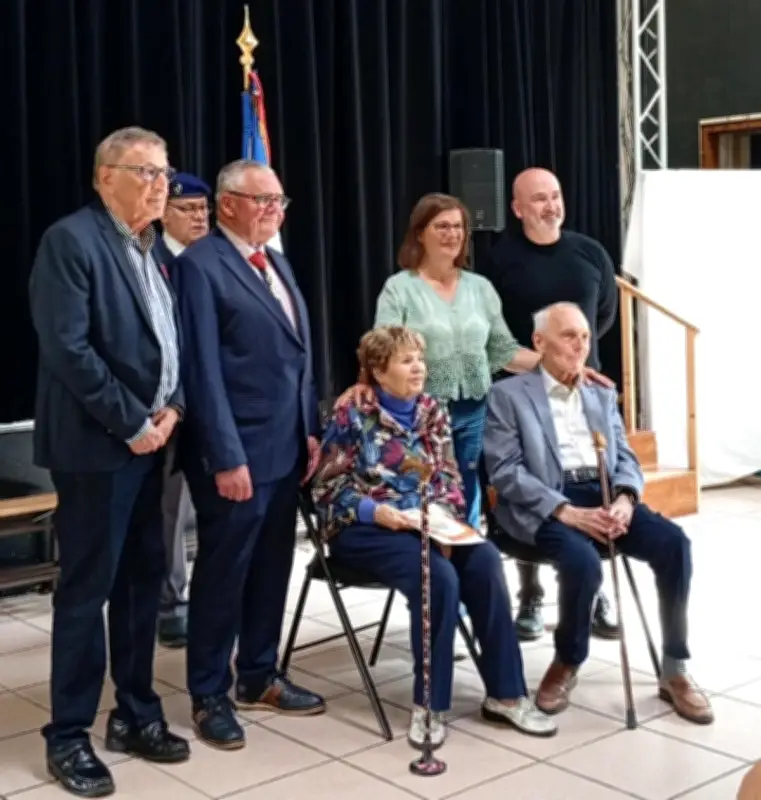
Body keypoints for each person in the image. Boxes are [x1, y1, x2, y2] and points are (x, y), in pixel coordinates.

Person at [29, 126, 190, 798]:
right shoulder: (72, 241)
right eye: (145, 171)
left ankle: (135, 713)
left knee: (140, 584)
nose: (160, 184)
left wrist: (173, 406)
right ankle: (67, 734)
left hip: (154, 442)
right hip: (99, 448)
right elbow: (69, 350)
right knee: (86, 590)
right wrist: (131, 422)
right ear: (104, 178)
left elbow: (167, 341)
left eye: (163, 172)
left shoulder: (152, 249)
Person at [314, 326, 558, 747]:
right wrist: (378, 512)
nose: (418, 368)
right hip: (365, 527)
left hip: (427, 522)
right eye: (407, 360)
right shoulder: (351, 414)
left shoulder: (433, 410)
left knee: (482, 561)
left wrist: (444, 520)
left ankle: (507, 693)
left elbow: (449, 479)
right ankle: (430, 703)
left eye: (420, 359)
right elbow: (326, 490)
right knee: (438, 578)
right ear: (378, 369)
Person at [482, 302, 713, 725]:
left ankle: (675, 667)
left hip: (605, 491)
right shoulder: (506, 395)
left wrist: (625, 498)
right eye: (569, 335)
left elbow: (624, 456)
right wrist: (565, 510)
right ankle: (567, 661)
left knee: (674, 544)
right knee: (582, 560)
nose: (581, 345)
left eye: (585, 336)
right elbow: (504, 470)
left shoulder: (601, 393)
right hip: (545, 500)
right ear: (539, 342)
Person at [339, 193, 611, 532]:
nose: (452, 234)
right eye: (442, 226)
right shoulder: (399, 288)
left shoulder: (479, 288)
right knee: (433, 497)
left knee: (469, 494)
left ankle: (470, 566)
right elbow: (381, 348)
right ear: (420, 233)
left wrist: (563, 365)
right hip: (422, 415)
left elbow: (503, 351)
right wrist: (365, 380)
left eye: (458, 227)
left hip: (477, 412)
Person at [172, 159, 325, 751]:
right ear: (227, 203)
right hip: (235, 455)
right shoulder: (200, 267)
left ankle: (258, 674)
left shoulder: (277, 262)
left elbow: (297, 356)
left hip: (285, 449)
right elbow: (203, 371)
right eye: (262, 200)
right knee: (224, 573)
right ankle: (209, 692)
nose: (273, 211)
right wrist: (226, 456)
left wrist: (309, 430)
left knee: (271, 568)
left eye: (279, 202)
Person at [479, 167, 619, 642]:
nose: (550, 205)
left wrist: (569, 359)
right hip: (523, 398)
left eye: (555, 196)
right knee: (531, 490)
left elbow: (602, 318)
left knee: (591, 480)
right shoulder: (499, 260)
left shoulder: (591, 252)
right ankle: (531, 593)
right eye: (538, 199)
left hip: (583, 392)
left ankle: (595, 590)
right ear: (517, 209)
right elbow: (492, 331)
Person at [156, 172, 211, 648]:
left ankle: (207, 598)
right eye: (187, 210)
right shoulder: (151, 262)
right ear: (163, 214)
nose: (198, 218)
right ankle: (171, 602)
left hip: (213, 404)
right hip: (170, 404)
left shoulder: (214, 260)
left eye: (203, 210)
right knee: (170, 511)